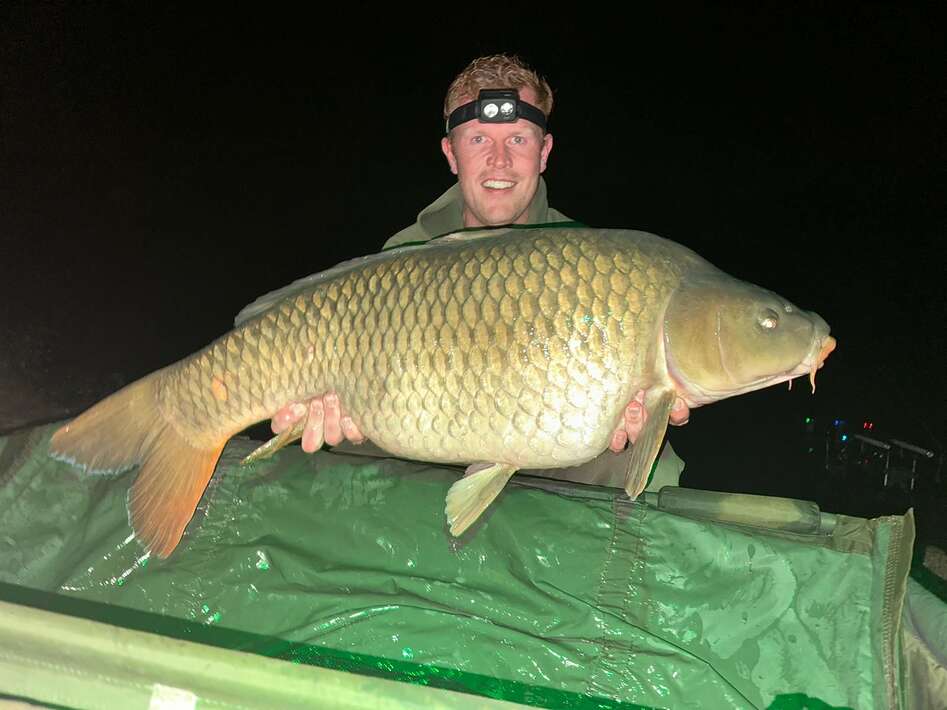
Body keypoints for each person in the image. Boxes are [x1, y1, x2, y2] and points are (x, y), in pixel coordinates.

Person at [267, 55, 689, 491]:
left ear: (544, 152)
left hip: (541, 445)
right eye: (478, 141)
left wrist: (633, 412)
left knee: (649, 462)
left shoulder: (589, 263)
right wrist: (329, 408)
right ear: (451, 154)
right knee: (344, 452)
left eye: (519, 140)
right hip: (423, 434)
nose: (499, 161)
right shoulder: (405, 255)